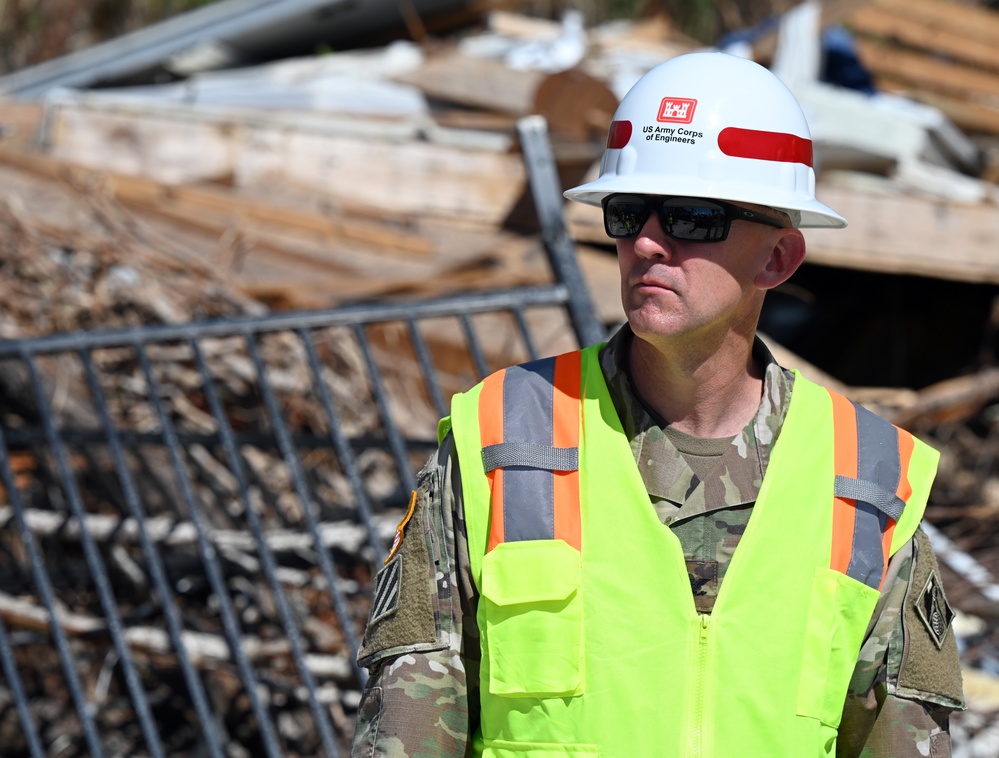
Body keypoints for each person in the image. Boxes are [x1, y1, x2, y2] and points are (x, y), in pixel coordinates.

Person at [350, 51, 965, 757]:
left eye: (691, 218)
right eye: (627, 212)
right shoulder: (500, 438)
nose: (646, 241)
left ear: (777, 259)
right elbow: (405, 727)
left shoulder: (869, 480)